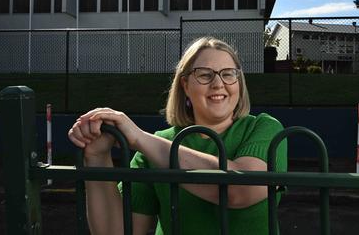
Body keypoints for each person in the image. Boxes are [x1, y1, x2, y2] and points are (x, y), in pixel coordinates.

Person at [68, 37, 287, 235]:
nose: (218, 83)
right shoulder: (156, 145)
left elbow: (240, 190)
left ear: (239, 82)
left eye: (228, 74)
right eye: (204, 75)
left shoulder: (264, 128)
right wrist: (97, 157)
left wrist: (140, 139)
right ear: (185, 85)